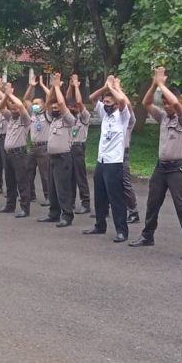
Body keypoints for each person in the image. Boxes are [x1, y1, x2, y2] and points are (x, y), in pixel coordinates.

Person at [129, 66, 182, 260]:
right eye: (164, 104)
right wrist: (155, 85)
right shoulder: (163, 117)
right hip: (161, 167)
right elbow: (146, 103)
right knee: (153, 203)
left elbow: (176, 103)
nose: (167, 106)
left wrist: (162, 85)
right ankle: (147, 236)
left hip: (177, 169)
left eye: (169, 103)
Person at [82, 75, 132, 243]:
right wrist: (105, 87)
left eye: (109, 102)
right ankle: (99, 225)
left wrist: (114, 88)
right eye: (105, 102)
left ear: (116, 104)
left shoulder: (122, 116)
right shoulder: (105, 114)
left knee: (116, 198)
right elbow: (92, 98)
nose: (106, 104)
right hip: (102, 160)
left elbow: (123, 101)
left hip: (114, 162)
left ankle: (122, 231)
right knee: (100, 196)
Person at [37, 72, 77, 228]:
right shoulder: (52, 119)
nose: (54, 108)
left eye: (57, 107)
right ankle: (54, 213)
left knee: (63, 188)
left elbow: (61, 102)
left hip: (63, 158)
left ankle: (67, 215)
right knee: (52, 187)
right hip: (52, 157)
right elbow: (49, 103)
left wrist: (57, 86)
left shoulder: (68, 119)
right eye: (53, 107)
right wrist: (53, 88)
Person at [0, 81, 32, 217]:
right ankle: (10, 205)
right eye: (12, 109)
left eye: (16, 109)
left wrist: (10, 95)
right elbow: (1, 107)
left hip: (19, 154)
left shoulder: (25, 119)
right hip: (8, 154)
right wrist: (6, 96)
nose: (14, 110)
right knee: (9, 181)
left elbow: (20, 105)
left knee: (22, 181)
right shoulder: (10, 118)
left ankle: (25, 208)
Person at [24, 75, 51, 206]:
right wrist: (31, 86)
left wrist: (43, 85)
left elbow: (50, 96)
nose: (34, 105)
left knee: (45, 174)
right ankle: (31, 195)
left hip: (44, 147)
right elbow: (25, 99)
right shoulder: (33, 113)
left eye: (37, 103)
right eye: (34, 104)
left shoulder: (48, 114)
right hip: (33, 147)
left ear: (44, 104)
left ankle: (49, 197)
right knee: (28, 171)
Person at [67, 73, 91, 214]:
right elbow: (66, 100)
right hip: (68, 148)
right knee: (70, 177)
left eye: (75, 107)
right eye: (71, 107)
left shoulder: (84, 117)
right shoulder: (69, 118)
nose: (73, 108)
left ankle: (85, 203)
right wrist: (70, 86)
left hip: (78, 148)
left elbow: (79, 102)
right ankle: (70, 202)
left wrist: (76, 86)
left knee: (80, 177)